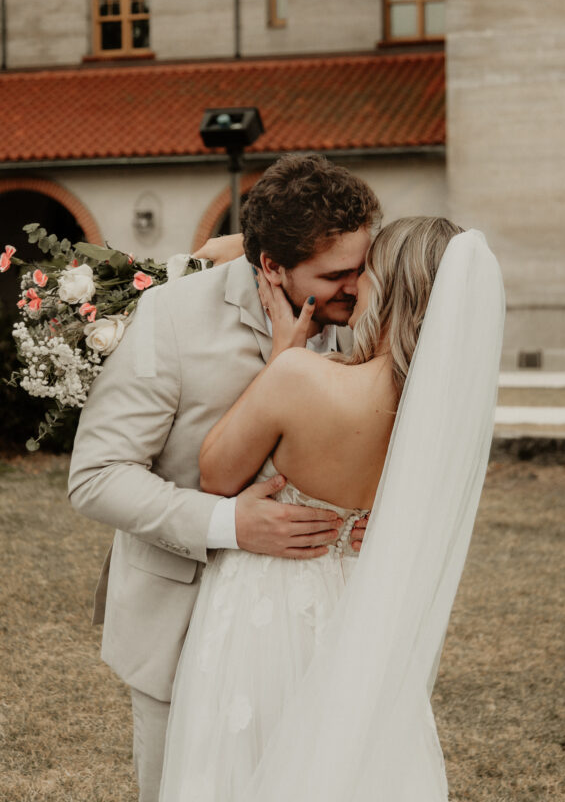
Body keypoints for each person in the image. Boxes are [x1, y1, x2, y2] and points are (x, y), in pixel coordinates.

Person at [67, 154, 382, 802]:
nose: (359, 285)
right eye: (336, 275)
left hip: (313, 626)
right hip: (180, 632)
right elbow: (97, 475)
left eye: (363, 265)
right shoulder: (174, 319)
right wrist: (229, 524)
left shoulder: (372, 317)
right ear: (270, 266)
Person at [159, 216, 505, 802]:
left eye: (365, 272)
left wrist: (279, 358)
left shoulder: (299, 377)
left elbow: (216, 474)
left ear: (390, 288)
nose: (353, 287)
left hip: (265, 604)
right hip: (358, 607)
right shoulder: (440, 410)